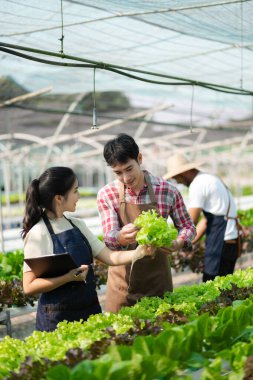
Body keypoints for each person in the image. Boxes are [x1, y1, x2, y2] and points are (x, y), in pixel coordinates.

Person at [22, 166, 155, 332]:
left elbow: (109, 257)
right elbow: (29, 286)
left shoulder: (77, 224)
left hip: (89, 310)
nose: (79, 196)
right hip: (58, 319)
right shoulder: (39, 233)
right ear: (58, 198)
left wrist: (139, 252)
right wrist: (68, 277)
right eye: (75, 191)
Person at [97, 134, 196, 312]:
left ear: (139, 159)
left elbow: (188, 227)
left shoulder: (167, 190)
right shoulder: (107, 194)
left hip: (157, 280)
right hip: (122, 284)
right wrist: (119, 237)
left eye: (129, 169)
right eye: (118, 173)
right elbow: (108, 236)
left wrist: (179, 242)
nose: (125, 178)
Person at [164, 153, 240, 282]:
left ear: (185, 172)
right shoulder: (209, 178)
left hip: (221, 241)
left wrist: (176, 242)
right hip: (230, 240)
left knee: (213, 284)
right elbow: (206, 220)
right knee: (223, 286)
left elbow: (190, 222)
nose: (178, 182)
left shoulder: (198, 184)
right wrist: (187, 241)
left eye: (177, 178)